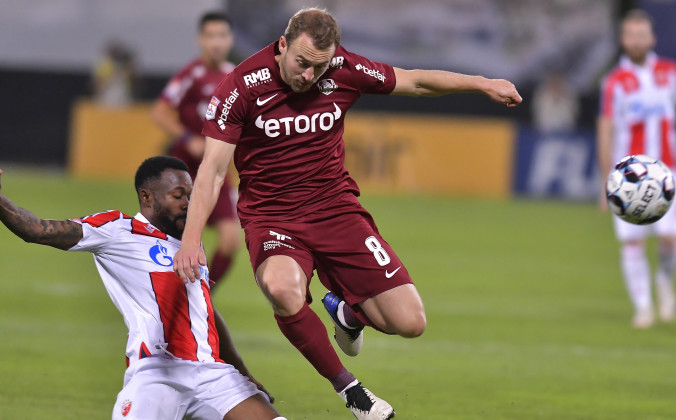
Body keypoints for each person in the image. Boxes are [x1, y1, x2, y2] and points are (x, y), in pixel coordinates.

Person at [173, 8, 522, 420]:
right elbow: (212, 171)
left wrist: (482, 84)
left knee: (410, 322)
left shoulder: (341, 69)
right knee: (281, 288)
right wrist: (192, 239)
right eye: (302, 63)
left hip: (337, 211)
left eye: (318, 67)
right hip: (274, 219)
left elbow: (414, 80)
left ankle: (347, 311)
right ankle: (351, 391)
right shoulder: (241, 88)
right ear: (283, 45)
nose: (308, 76)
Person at [0, 158, 285, 420]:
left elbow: (205, 312)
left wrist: (243, 372)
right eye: (178, 196)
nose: (188, 204)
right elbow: (38, 230)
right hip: (155, 372)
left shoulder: (190, 243)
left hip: (212, 374)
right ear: (147, 197)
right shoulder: (117, 230)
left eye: (190, 195)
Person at [598, 9, 676, 329]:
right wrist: (606, 180)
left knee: (670, 238)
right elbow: (605, 128)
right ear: (623, 39)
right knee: (632, 242)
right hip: (628, 177)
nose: (636, 40)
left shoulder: (670, 73)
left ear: (652, 38)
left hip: (668, 171)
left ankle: (663, 283)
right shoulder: (615, 81)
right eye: (630, 34)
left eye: (641, 34)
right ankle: (643, 307)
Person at [151, 12, 241, 288]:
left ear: (230, 40)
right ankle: (160, 296)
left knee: (230, 240)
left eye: (222, 36)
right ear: (200, 40)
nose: (216, 42)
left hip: (216, 171)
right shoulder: (190, 74)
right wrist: (188, 135)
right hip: (184, 172)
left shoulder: (234, 76)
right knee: (171, 241)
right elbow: (160, 112)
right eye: (210, 36)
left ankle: (201, 298)